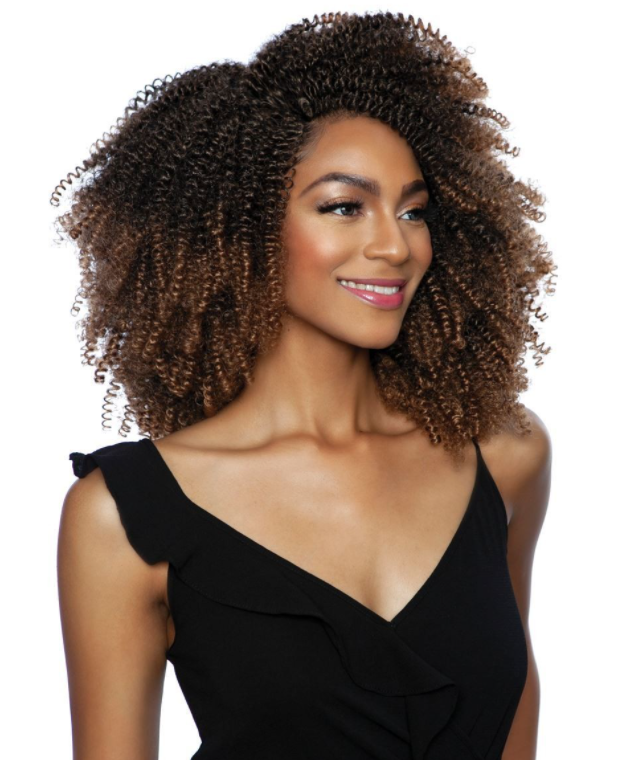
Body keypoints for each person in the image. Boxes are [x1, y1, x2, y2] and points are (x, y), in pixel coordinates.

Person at [55, 10, 554, 760]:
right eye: (344, 206)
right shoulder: (124, 519)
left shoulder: (503, 454)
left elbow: (513, 712)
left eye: (413, 211)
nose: (395, 245)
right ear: (239, 227)